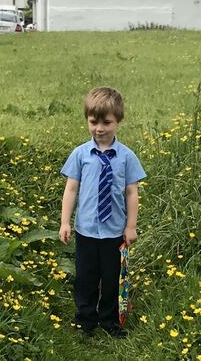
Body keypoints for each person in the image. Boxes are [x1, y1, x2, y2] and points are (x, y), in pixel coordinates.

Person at [59, 87, 146, 338]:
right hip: (85, 229)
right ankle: (85, 319)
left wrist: (130, 226)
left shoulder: (127, 157)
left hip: (114, 231)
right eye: (93, 122)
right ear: (87, 121)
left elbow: (131, 193)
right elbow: (71, 190)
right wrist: (65, 222)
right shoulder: (81, 154)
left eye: (106, 122)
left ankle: (109, 321)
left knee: (111, 279)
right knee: (85, 278)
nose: (99, 128)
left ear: (118, 121)